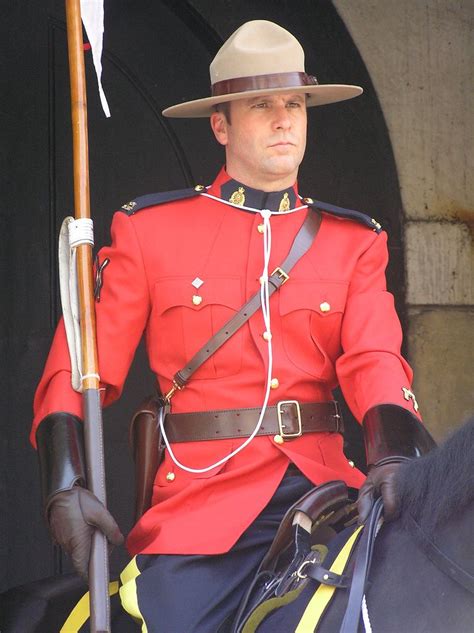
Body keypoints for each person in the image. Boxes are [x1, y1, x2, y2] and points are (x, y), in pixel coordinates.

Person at [31, 20, 435, 632]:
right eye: (262, 105)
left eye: (295, 103)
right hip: (202, 504)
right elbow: (82, 363)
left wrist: (396, 455)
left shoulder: (355, 242)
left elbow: (375, 359)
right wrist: (64, 480)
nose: (284, 120)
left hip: (325, 490)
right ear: (220, 125)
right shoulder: (150, 231)